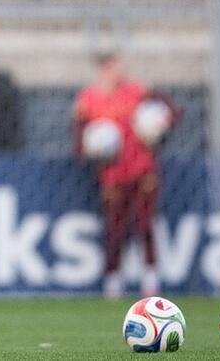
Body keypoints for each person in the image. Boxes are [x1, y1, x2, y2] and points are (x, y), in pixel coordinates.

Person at [73, 53, 172, 299]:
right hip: (112, 175)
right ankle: (113, 281)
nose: (119, 72)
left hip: (142, 169)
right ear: (103, 69)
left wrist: (161, 127)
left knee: (145, 225)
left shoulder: (137, 92)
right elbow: (79, 137)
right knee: (115, 229)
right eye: (113, 67)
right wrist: (89, 153)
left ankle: (150, 281)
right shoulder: (89, 99)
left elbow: (169, 113)